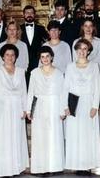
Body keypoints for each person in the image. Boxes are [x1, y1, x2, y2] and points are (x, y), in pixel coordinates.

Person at [0, 44, 29, 176]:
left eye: (12, 55)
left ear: (16, 57)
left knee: (16, 137)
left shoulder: (21, 71)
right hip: (1, 107)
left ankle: (15, 167)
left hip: (16, 107)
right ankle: (4, 168)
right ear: (2, 57)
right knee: (2, 137)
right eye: (7, 55)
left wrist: (25, 109)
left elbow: (24, 92)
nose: (10, 57)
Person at [64, 39, 100, 174]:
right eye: (79, 49)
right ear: (76, 51)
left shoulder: (94, 66)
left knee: (88, 135)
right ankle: (77, 164)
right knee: (75, 134)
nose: (82, 51)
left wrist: (95, 106)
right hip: (74, 103)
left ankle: (87, 165)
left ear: (89, 51)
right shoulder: (70, 67)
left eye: (85, 49)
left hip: (88, 103)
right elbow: (65, 88)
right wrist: (65, 106)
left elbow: (98, 87)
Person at [27, 46, 65, 175]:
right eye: (42, 57)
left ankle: (54, 166)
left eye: (47, 56)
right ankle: (40, 167)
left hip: (54, 105)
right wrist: (28, 110)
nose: (45, 59)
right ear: (40, 59)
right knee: (40, 137)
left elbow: (62, 93)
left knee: (54, 136)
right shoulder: (34, 73)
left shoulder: (59, 73)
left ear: (52, 57)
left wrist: (62, 110)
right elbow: (31, 92)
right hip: (39, 107)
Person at [20, 5, 48, 81]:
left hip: (37, 61)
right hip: (22, 61)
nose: (29, 14)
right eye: (27, 13)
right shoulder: (18, 28)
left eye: (31, 13)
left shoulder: (41, 29)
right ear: (23, 15)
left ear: (34, 15)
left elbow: (47, 42)